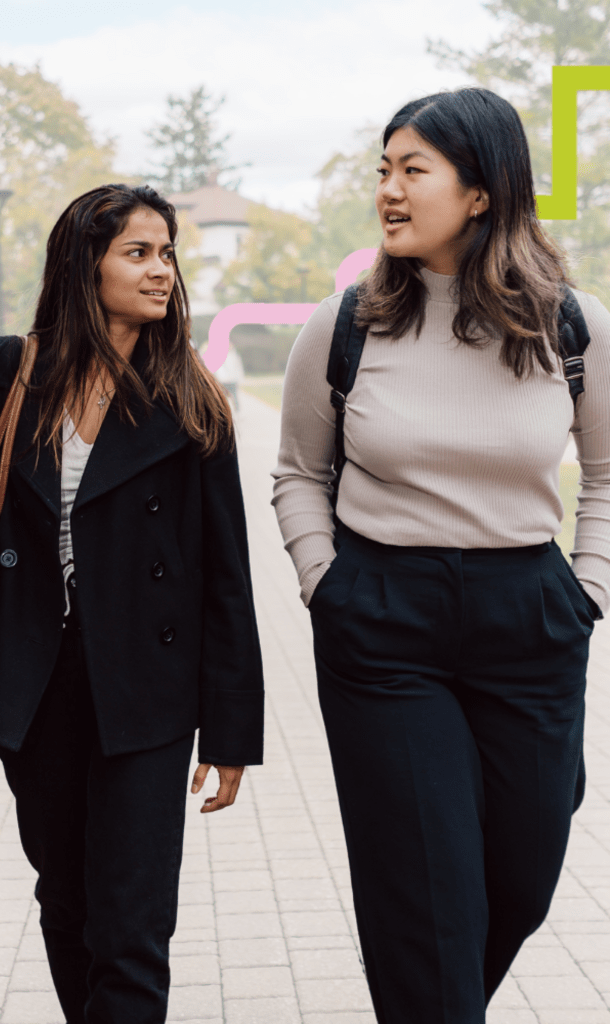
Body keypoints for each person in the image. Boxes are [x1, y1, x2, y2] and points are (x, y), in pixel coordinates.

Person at [0, 183, 264, 1024]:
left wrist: (233, 728)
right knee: (66, 903)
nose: (161, 270)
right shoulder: (3, 372)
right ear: (82, 265)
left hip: (150, 690)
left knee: (132, 927)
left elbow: (224, 576)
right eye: (138, 252)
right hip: (36, 679)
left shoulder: (193, 400)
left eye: (167, 253)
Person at [272, 87, 610, 1022]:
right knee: (424, 892)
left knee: (524, 877)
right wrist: (324, 583)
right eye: (383, 168)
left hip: (531, 615)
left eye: (412, 169)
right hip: (385, 623)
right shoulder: (344, 325)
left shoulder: (573, 326)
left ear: (480, 191)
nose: (388, 188)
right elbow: (298, 472)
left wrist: (586, 592)